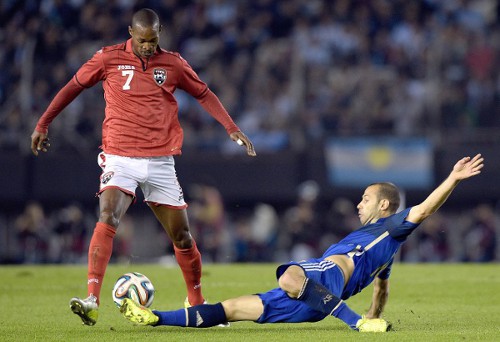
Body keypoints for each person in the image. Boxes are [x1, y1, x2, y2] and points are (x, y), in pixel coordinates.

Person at [30, 8, 256, 326]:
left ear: (159, 33)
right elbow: (72, 87)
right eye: (142, 40)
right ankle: (92, 299)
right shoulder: (107, 58)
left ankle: (198, 303)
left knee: (183, 237)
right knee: (108, 214)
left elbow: (204, 94)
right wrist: (43, 123)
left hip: (160, 160)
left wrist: (231, 128)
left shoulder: (174, 63)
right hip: (119, 156)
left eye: (153, 40)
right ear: (130, 33)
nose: (148, 46)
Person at [120, 154, 484, 332]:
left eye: (366, 198)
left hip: (324, 280)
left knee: (289, 275)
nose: (360, 203)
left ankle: (355, 325)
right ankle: (153, 318)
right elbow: (382, 288)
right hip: (315, 302)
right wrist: (376, 314)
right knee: (230, 309)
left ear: (385, 205)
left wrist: (452, 178)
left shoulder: (391, 226)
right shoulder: (386, 249)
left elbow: (423, 210)